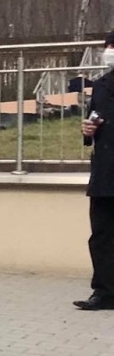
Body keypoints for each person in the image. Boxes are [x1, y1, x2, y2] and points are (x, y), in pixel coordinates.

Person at [76, 31, 114, 310]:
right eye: (109, 46)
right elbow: (94, 119)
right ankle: (104, 291)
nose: (110, 51)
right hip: (105, 171)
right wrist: (88, 131)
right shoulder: (100, 85)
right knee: (101, 234)